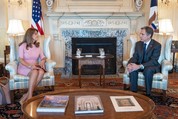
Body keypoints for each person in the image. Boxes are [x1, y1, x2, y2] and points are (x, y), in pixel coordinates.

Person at [126, 26, 161, 97]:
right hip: (140, 64)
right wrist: (130, 64)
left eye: (142, 34)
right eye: (140, 34)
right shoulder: (138, 44)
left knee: (147, 70)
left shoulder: (157, 45)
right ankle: (133, 92)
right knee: (133, 68)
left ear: (149, 36)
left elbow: (154, 61)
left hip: (151, 66)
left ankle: (148, 94)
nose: (140, 36)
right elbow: (135, 57)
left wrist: (139, 66)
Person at [18, 28, 46, 104]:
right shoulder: (22, 46)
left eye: (37, 34)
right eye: (35, 34)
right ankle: (30, 97)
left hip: (35, 67)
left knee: (41, 72)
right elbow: (20, 59)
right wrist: (30, 66)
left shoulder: (37, 46)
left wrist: (43, 61)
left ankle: (26, 95)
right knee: (35, 72)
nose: (37, 35)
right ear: (30, 35)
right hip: (25, 67)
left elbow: (43, 57)